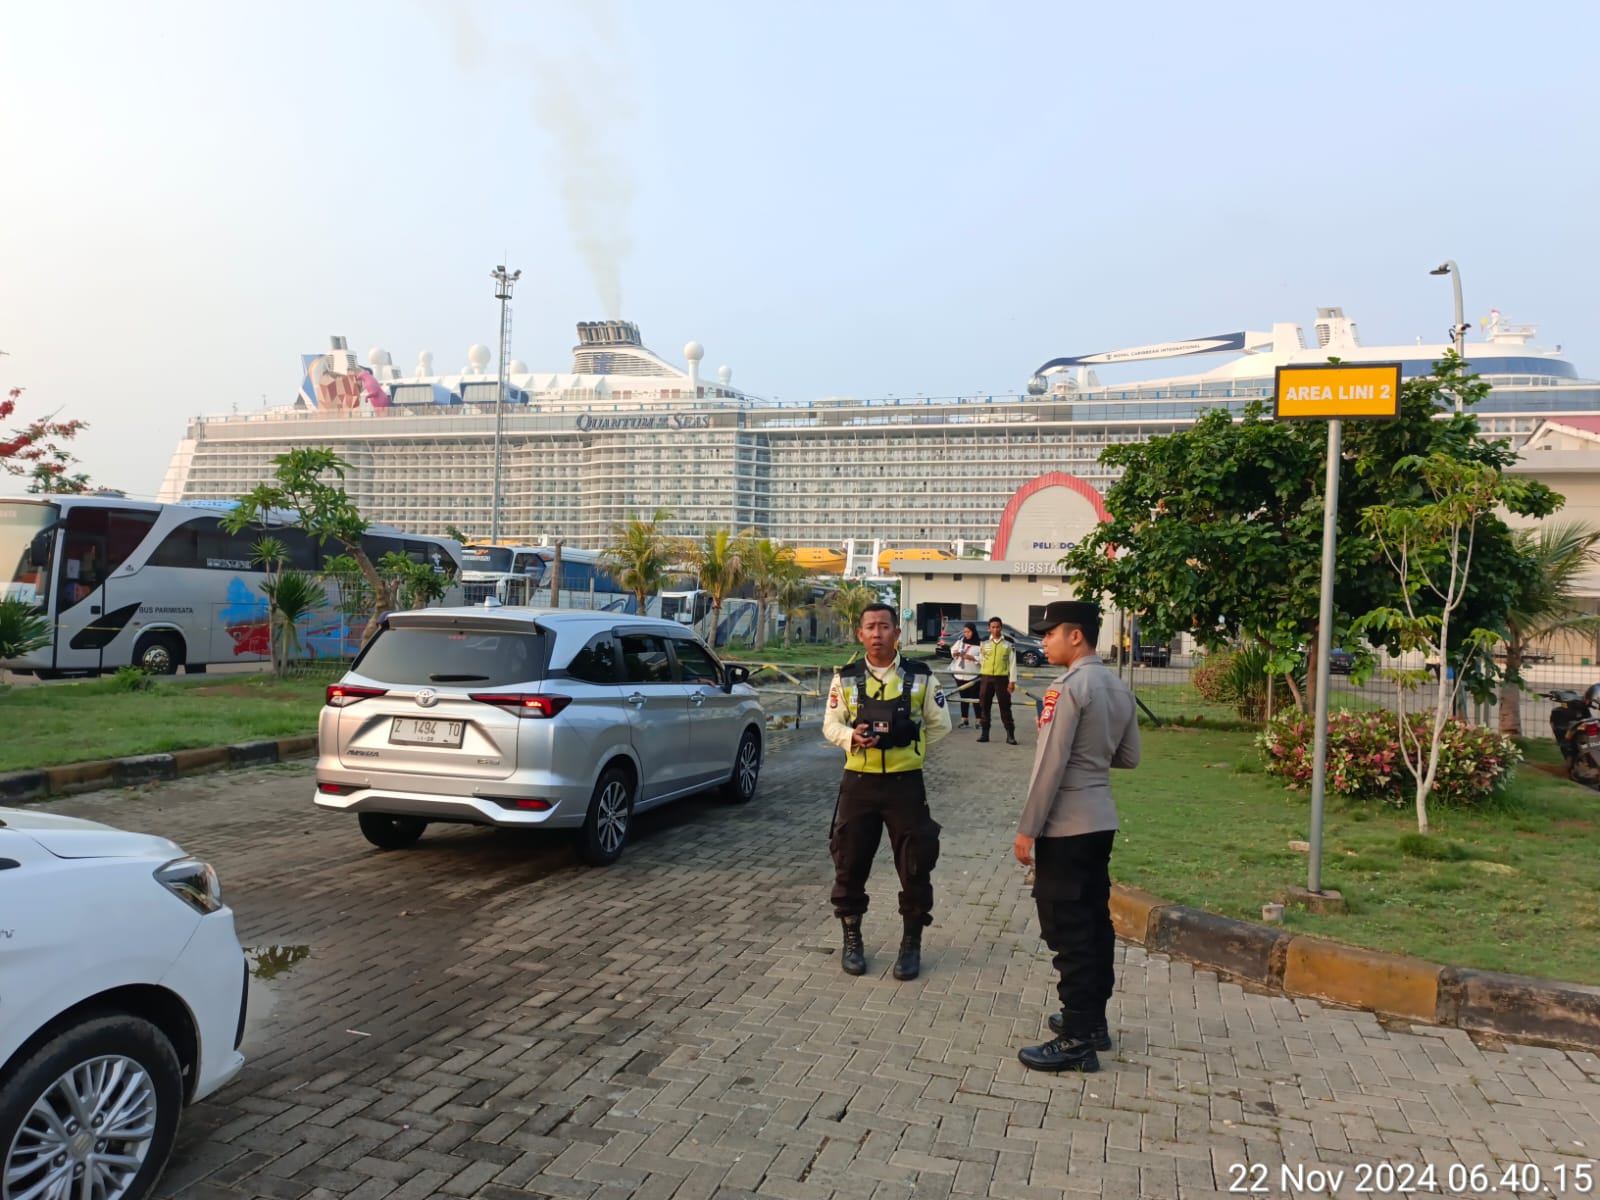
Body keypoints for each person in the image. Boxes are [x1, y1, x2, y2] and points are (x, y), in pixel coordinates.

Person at [1011, 600, 1140, 1073]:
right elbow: (1129, 758)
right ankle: (1092, 1020)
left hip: (1065, 825)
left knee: (1067, 929)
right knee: (1094, 923)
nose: (1043, 642)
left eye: (1049, 634)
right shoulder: (1116, 687)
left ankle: (1076, 1039)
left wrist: (1028, 830)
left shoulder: (1067, 688)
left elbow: (1049, 765)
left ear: (1076, 637)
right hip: (1100, 819)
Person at [823, 603, 953, 980]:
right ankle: (852, 940)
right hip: (858, 785)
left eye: (884, 626)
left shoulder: (922, 677)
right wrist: (851, 737)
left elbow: (940, 723)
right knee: (848, 863)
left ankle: (910, 945)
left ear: (898, 633)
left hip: (905, 786)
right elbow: (830, 724)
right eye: (870, 627)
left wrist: (909, 744)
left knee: (915, 866)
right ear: (860, 634)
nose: (877, 633)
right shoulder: (844, 679)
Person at [976, 616, 1018, 745]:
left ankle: (1010, 735)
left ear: (1001, 628)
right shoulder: (984, 642)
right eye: (993, 627)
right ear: (989, 628)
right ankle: (984, 733)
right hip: (986, 677)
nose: (995, 629)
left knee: (1005, 706)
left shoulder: (1008, 643)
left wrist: (1012, 681)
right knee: (984, 705)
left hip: (1002, 678)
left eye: (998, 627)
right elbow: (981, 658)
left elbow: (1012, 663)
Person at [948, 622, 982, 728]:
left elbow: (983, 659)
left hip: (973, 675)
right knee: (963, 698)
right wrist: (955, 653)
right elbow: (952, 650)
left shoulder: (980, 644)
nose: (966, 634)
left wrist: (972, 658)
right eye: (965, 632)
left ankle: (978, 720)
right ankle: (964, 719)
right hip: (960, 674)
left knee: (975, 698)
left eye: (968, 632)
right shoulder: (960, 642)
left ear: (973, 631)